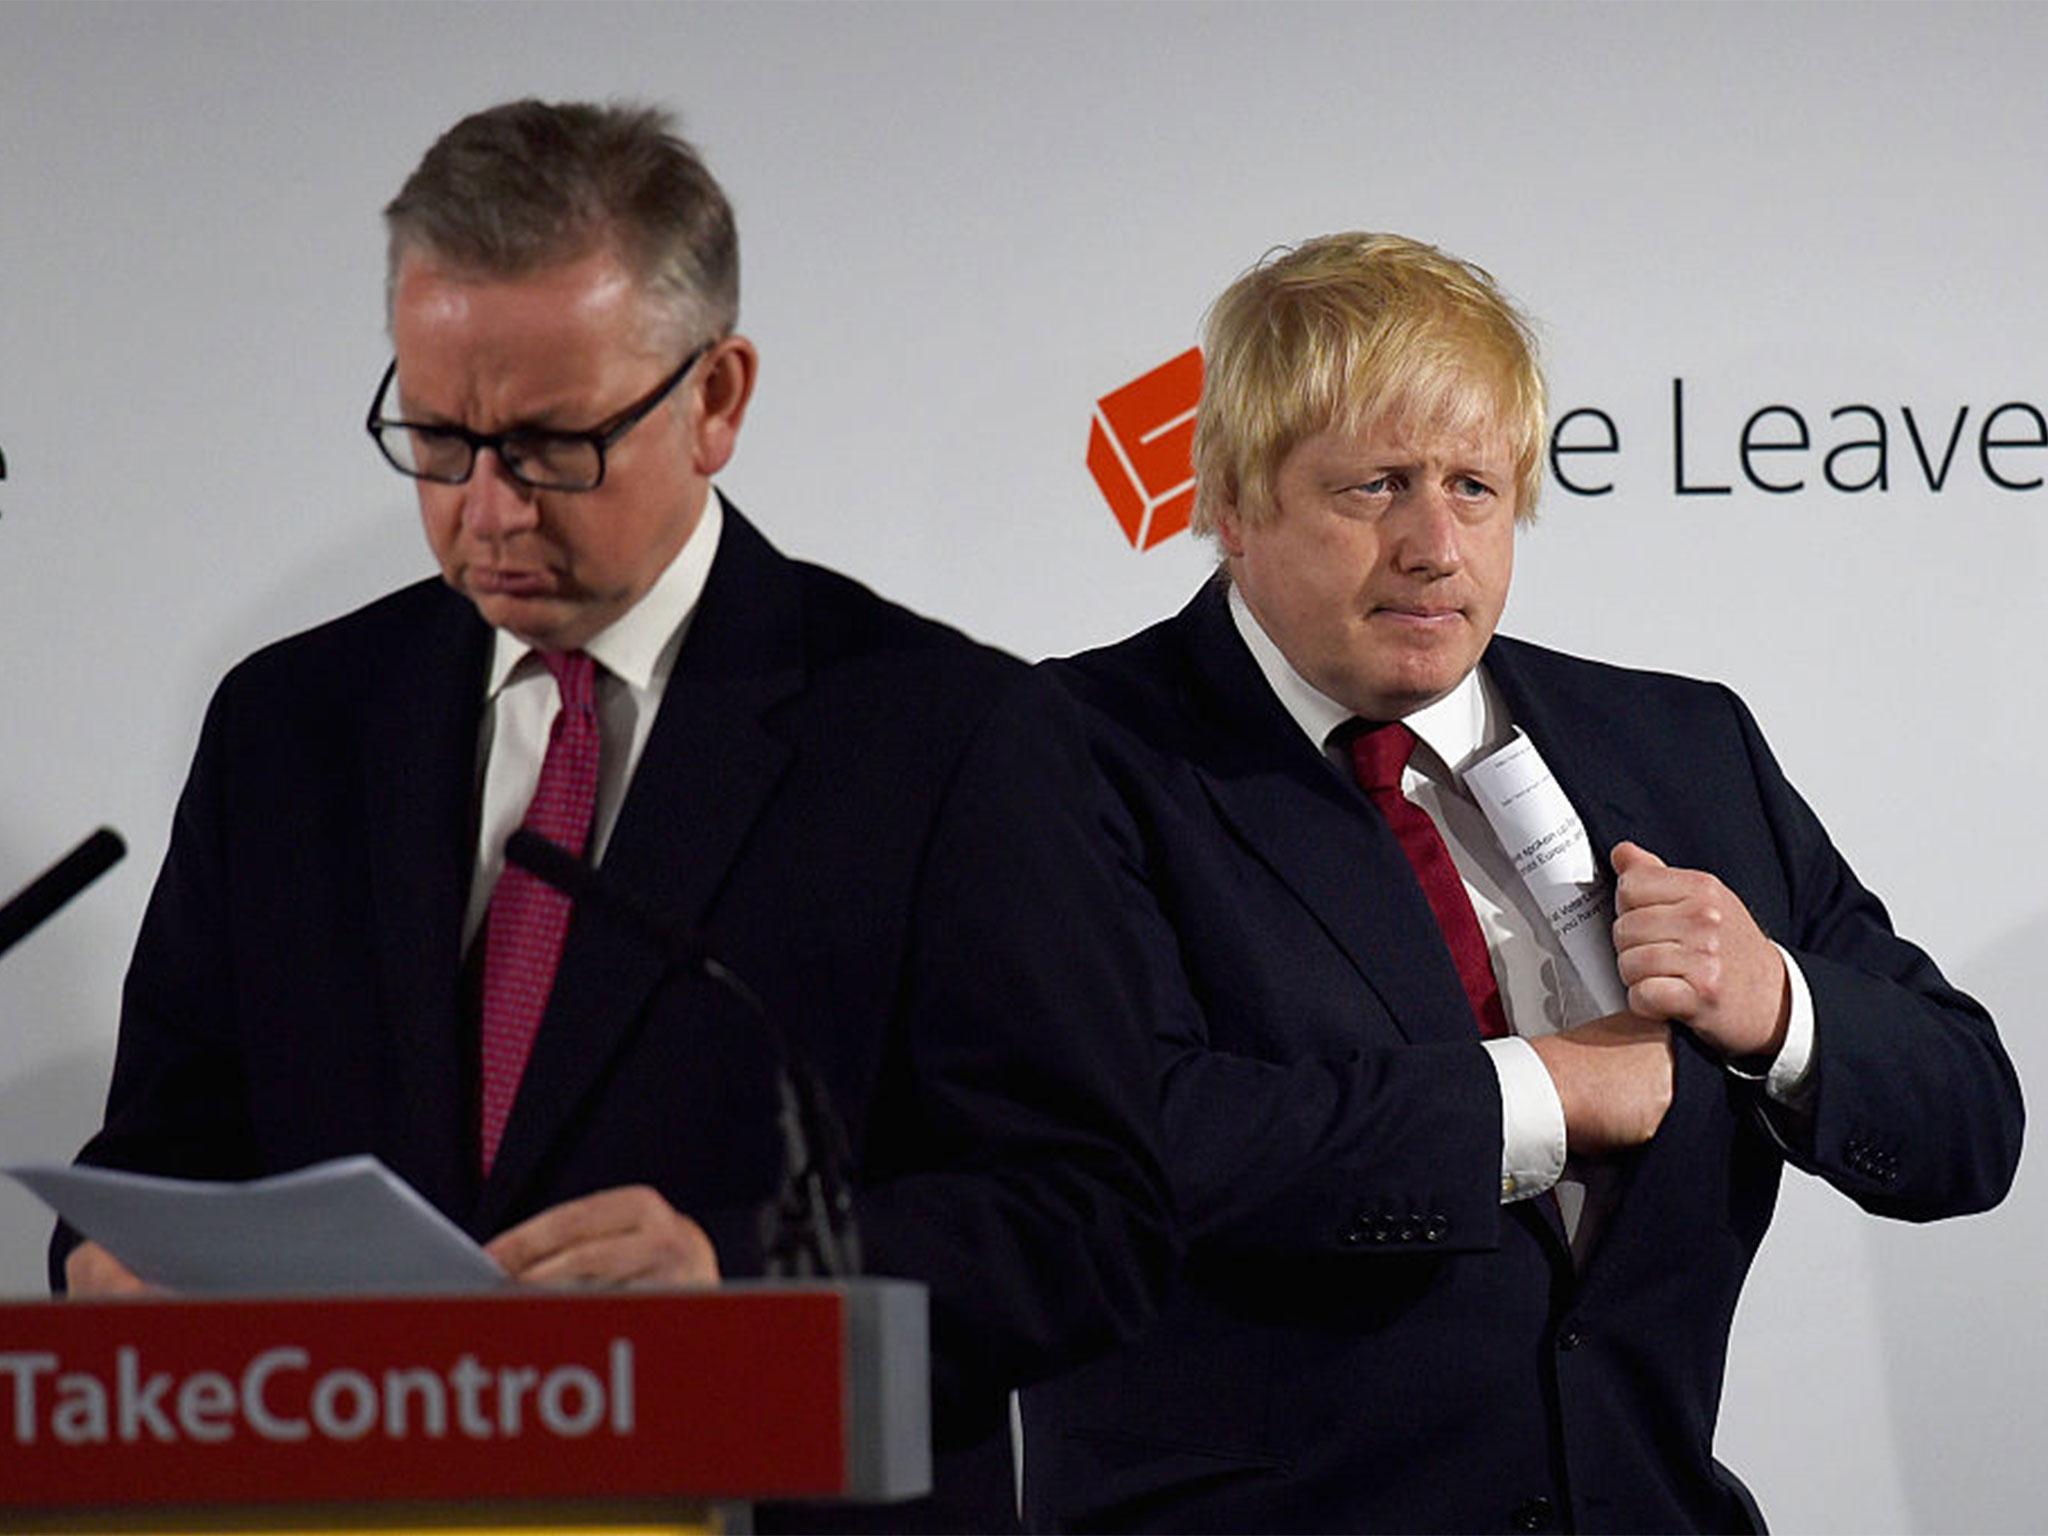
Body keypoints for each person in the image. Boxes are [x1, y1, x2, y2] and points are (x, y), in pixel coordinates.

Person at [54, 99, 1172, 1532]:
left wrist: (736, 1277)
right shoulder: (293, 724)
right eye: (440, 440)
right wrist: (111, 1263)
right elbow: (161, 1152)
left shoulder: (943, 734)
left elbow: (1089, 1221)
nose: (489, 510)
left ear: (715, 399)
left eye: (550, 446)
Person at [1020, 232, 2023, 1534]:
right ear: (1230, 500)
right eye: (1374, 487)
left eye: (1476, 487)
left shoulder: (1682, 746)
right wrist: (1552, 1090)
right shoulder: (1055, 757)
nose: (1435, 545)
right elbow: (1116, 1152)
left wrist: (1780, 1007)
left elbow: (1968, 1124)